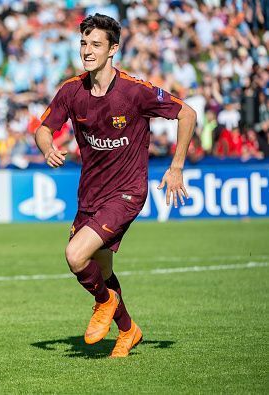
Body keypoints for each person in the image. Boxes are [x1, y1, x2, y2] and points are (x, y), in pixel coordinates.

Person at [34, 14, 196, 358]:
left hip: (127, 191)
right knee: (101, 268)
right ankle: (127, 330)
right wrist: (47, 147)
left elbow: (188, 114)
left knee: (75, 255)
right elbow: (43, 128)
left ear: (113, 50)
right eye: (83, 43)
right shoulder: (71, 90)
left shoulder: (135, 91)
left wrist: (177, 166)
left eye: (95, 44)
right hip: (90, 194)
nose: (87, 50)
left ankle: (104, 303)